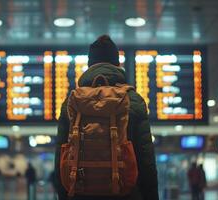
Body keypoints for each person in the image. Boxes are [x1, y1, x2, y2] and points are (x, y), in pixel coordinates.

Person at [54, 35, 159, 200]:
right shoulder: (133, 100)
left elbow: (60, 161)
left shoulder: (71, 102)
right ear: (117, 64)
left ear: (89, 65)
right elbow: (147, 162)